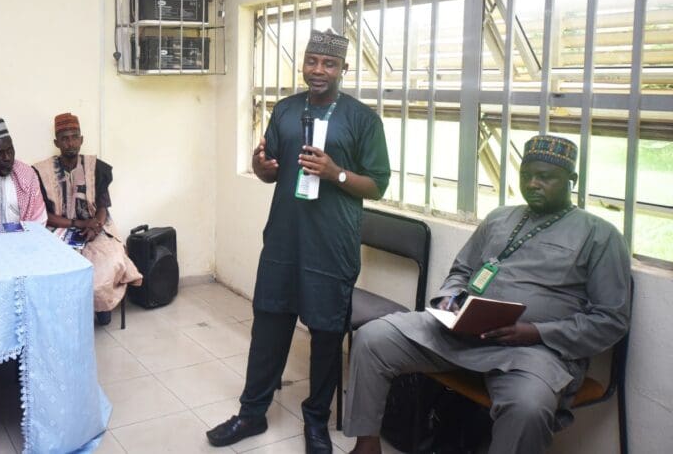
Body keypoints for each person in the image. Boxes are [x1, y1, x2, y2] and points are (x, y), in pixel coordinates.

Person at [344, 135, 632, 454]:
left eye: (545, 177)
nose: (533, 183)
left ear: (572, 180)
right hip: (461, 334)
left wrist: (534, 332)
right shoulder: (499, 218)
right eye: (526, 175)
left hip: (533, 352)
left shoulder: (601, 236)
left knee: (529, 407)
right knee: (373, 337)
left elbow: (611, 319)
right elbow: (462, 271)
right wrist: (451, 306)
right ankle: (366, 444)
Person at [207, 29, 390, 453]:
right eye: (311, 61)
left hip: (331, 245)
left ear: (344, 68)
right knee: (269, 323)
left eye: (328, 64)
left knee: (326, 334)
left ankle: (315, 423)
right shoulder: (286, 110)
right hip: (284, 240)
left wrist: (336, 174)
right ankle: (252, 413)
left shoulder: (362, 120)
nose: (318, 70)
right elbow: (272, 169)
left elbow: (377, 185)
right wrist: (260, 166)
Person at [33, 112, 143, 326]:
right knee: (53, 265)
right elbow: (45, 216)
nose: (70, 142)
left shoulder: (96, 167)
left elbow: (102, 205)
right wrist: (80, 224)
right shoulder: (41, 172)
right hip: (59, 230)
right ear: (56, 142)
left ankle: (101, 306)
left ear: (82, 140)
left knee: (110, 260)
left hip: (96, 228)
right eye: (64, 138)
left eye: (75, 137)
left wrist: (96, 225)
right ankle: (64, 317)